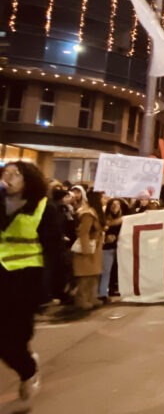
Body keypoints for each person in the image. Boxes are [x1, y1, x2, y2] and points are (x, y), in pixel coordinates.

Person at [0, 161, 63, 410]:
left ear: (29, 180)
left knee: (13, 339)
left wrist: (52, 289)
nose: (9, 177)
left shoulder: (44, 209)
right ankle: (25, 363)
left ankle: (27, 370)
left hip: (26, 281)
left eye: (16, 174)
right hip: (1, 276)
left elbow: (54, 251)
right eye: (7, 173)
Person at [72, 190, 105, 311]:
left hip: (95, 247)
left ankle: (92, 297)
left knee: (94, 274)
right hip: (87, 249)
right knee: (85, 276)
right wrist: (85, 249)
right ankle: (82, 299)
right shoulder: (87, 214)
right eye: (101, 198)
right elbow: (84, 232)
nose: (103, 200)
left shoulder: (94, 212)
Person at [101, 198, 127, 301]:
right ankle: (102, 293)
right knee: (106, 271)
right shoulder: (104, 218)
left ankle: (112, 289)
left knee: (117, 270)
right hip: (107, 248)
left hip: (120, 248)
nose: (115, 206)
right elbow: (103, 228)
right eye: (113, 204)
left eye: (117, 204)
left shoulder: (124, 218)